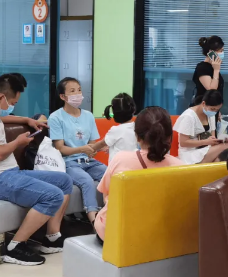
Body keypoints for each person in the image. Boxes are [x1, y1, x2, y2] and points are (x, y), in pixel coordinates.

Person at [0, 74, 73, 266]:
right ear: (1, 97)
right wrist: (17, 142)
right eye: (12, 102)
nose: (12, 106)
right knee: (52, 195)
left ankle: (52, 237)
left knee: (64, 181)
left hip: (7, 174)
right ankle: (15, 247)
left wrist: (28, 120)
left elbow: (3, 118)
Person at [94, 107, 183, 242]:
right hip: (160, 235)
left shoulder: (120, 159)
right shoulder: (180, 166)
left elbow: (106, 193)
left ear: (137, 136)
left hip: (117, 235)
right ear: (170, 137)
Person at [49, 77, 107, 223]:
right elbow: (60, 148)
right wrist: (81, 149)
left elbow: (92, 144)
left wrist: (98, 148)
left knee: (110, 174)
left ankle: (111, 212)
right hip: (69, 163)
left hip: (89, 161)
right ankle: (94, 221)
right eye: (72, 91)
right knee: (87, 181)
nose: (78, 94)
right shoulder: (55, 117)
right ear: (63, 96)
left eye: (79, 90)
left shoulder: (88, 116)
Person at [174, 90, 228, 164]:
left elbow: (212, 137)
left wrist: (219, 141)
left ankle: (209, 170)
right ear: (203, 103)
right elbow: (183, 142)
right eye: (212, 109)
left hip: (205, 149)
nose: (214, 112)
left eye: (217, 110)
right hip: (189, 153)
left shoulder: (211, 114)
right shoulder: (188, 116)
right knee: (226, 147)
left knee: (223, 155)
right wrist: (206, 142)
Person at [93, 93, 137, 162]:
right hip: (133, 165)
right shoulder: (137, 127)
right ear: (133, 110)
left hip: (117, 167)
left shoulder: (115, 130)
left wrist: (92, 148)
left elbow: (102, 143)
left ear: (114, 113)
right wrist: (110, 148)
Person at [193, 36, 225, 103]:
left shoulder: (213, 66)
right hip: (203, 106)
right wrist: (216, 70)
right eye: (221, 51)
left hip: (214, 106)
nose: (222, 53)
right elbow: (212, 90)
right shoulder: (202, 67)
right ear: (211, 52)